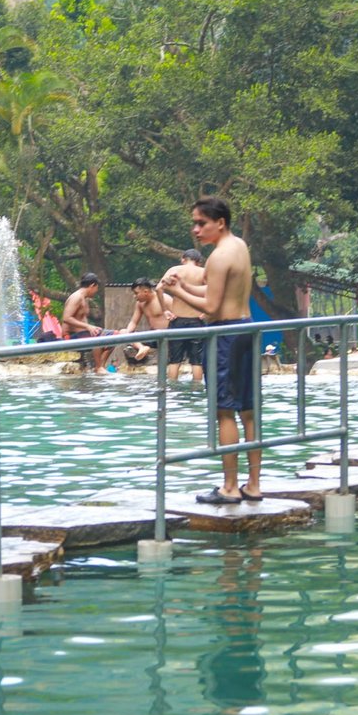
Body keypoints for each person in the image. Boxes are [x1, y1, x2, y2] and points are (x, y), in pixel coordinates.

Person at [161, 197, 260, 505]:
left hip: (227, 335)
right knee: (248, 411)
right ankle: (253, 485)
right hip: (246, 328)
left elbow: (212, 305)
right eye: (194, 223)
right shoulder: (239, 247)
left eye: (201, 223)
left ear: (220, 222)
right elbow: (217, 290)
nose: (196, 229)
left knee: (224, 411)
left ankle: (230, 487)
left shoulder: (218, 257)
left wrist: (174, 290)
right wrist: (186, 287)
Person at [159, 250, 207, 382]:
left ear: (183, 259)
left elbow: (158, 289)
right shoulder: (203, 272)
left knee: (174, 360)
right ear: (198, 261)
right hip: (197, 320)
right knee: (197, 362)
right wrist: (207, 311)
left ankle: (172, 390)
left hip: (177, 320)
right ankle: (197, 390)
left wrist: (165, 310)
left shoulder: (174, 270)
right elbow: (214, 291)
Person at [62, 272, 111, 373]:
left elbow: (83, 319)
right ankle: (98, 367)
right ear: (92, 286)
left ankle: (101, 366)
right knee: (97, 336)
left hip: (82, 334)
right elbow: (66, 318)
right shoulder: (76, 297)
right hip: (70, 336)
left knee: (114, 336)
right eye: (97, 288)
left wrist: (91, 328)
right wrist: (88, 327)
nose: (96, 291)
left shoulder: (85, 299)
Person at [120, 277, 172, 365]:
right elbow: (133, 322)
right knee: (122, 332)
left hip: (166, 336)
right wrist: (128, 332)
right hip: (151, 336)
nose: (134, 296)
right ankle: (141, 348)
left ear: (146, 291)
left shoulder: (164, 299)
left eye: (136, 293)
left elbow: (178, 317)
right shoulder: (140, 304)